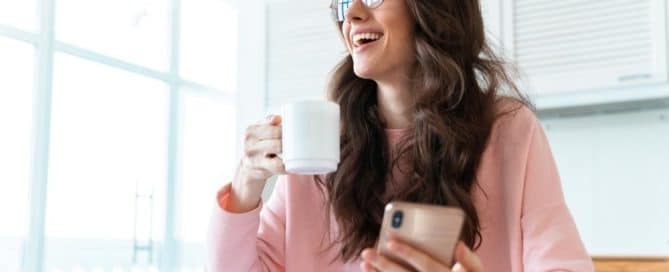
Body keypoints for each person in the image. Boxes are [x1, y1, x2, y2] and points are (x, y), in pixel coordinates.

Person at [207, 0, 594, 271]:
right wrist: (246, 184)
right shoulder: (321, 144)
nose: (352, 14)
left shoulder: (508, 131)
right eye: (343, 2)